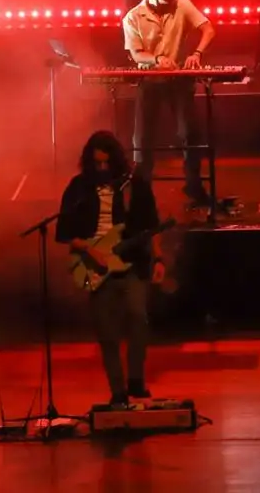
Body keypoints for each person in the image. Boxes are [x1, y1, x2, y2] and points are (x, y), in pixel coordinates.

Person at [55, 130, 166, 408]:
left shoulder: (134, 186)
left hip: (132, 263)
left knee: (138, 318)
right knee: (107, 332)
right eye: (97, 163)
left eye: (106, 163)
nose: (102, 168)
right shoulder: (78, 188)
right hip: (95, 265)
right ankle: (118, 391)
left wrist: (159, 259)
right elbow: (65, 232)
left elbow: (152, 226)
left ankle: (136, 380)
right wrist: (90, 249)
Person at [122, 0, 216, 209]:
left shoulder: (183, 5)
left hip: (178, 81)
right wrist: (156, 60)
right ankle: (141, 192)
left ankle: (194, 186)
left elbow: (208, 29)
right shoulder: (133, 17)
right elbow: (136, 53)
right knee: (143, 138)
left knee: (190, 134)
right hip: (150, 81)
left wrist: (197, 53)